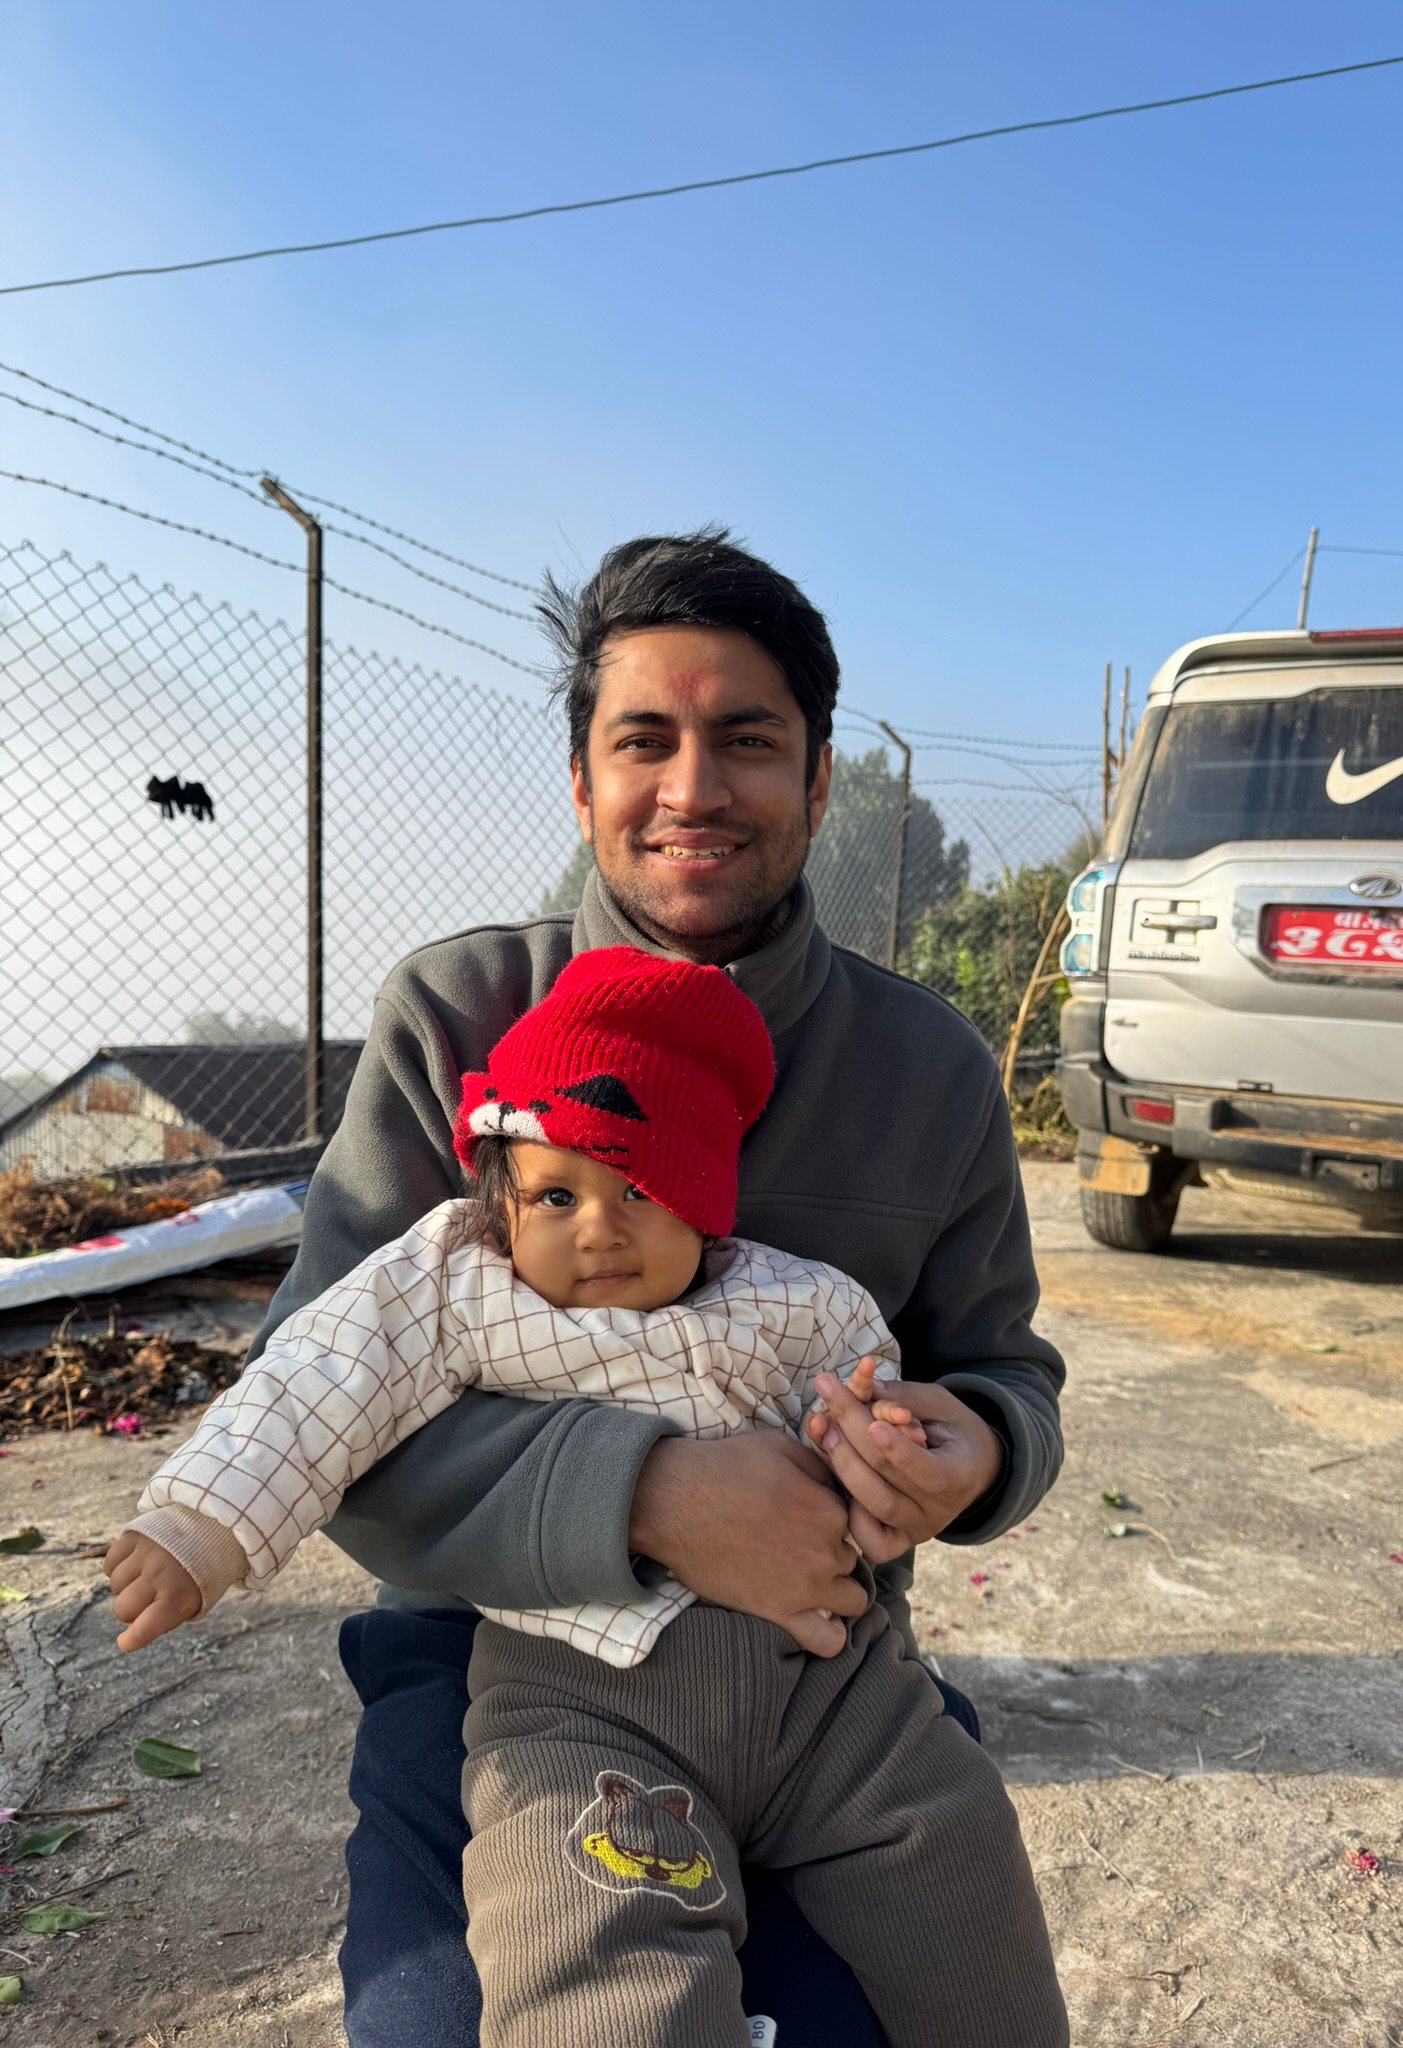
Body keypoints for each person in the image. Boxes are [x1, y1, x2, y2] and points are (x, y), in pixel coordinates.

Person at [245, 529, 1068, 2046]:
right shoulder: (454, 1021)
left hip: (820, 1667)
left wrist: (980, 1444)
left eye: (747, 742)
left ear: (821, 782)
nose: (694, 789)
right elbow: (316, 1408)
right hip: (505, 1663)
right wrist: (643, 1493)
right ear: (581, 783)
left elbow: (1006, 1369)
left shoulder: (930, 1072)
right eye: (646, 741)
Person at [104, 948, 1067, 2046]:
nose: (599, 1227)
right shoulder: (458, 1283)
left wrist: (906, 1447)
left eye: (641, 1188)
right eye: (556, 1192)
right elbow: (320, 1379)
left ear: (707, 1196)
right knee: (589, 1948)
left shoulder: (793, 1294)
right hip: (586, 1694)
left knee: (958, 1856)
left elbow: (870, 1390)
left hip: (831, 1690)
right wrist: (198, 1525)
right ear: (500, 1192)